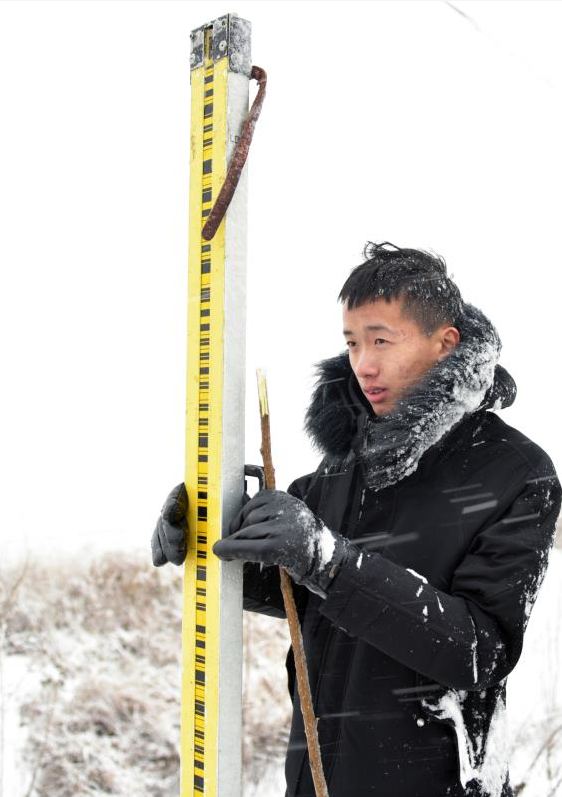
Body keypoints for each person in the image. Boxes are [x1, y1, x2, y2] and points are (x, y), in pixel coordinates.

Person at [152, 243, 561, 797]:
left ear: (445, 344)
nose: (363, 364)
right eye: (352, 343)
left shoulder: (516, 472)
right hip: (316, 774)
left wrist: (328, 560)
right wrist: (213, 540)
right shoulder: (348, 459)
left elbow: (479, 651)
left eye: (382, 340)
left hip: (431, 783)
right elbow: (305, 588)